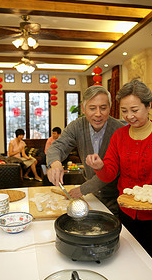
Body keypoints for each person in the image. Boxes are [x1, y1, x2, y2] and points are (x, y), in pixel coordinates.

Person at [86, 79, 152, 272]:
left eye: (134, 110)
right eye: (125, 111)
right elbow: (110, 173)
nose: (129, 116)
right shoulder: (119, 136)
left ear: (149, 105)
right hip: (127, 212)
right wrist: (100, 165)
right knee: (129, 265)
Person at [46, 85, 124, 216]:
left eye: (103, 108)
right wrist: (54, 162)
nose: (98, 114)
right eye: (92, 108)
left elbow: (113, 171)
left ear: (110, 108)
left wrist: (82, 189)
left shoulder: (119, 130)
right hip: (92, 196)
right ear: (83, 108)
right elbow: (58, 146)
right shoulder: (77, 125)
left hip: (115, 197)